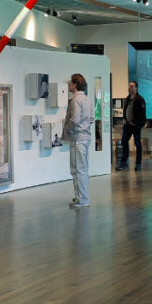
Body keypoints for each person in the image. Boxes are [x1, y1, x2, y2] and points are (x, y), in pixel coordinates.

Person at [64, 73, 93, 208]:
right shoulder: (87, 99)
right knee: (81, 169)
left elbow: (74, 120)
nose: (69, 84)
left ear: (75, 84)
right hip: (85, 137)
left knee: (77, 169)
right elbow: (92, 119)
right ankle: (80, 197)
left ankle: (82, 199)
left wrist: (70, 129)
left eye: (70, 82)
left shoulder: (75, 100)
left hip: (77, 138)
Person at [116, 80, 147, 171]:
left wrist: (137, 123)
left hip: (136, 126)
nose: (129, 88)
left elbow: (143, 114)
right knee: (124, 142)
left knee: (137, 144)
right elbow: (125, 109)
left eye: (131, 86)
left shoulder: (140, 99)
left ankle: (138, 163)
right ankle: (124, 163)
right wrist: (124, 118)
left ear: (136, 88)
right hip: (128, 125)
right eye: (129, 86)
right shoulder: (128, 98)